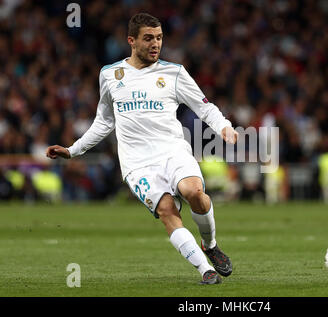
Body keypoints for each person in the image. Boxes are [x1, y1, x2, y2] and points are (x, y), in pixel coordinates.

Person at [46, 13, 238, 285]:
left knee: (194, 193)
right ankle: (204, 269)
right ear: (131, 41)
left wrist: (224, 127)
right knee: (167, 210)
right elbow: (104, 121)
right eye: (148, 38)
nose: (155, 44)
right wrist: (72, 150)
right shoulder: (110, 75)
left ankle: (210, 243)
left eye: (159, 38)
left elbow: (204, 106)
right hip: (137, 163)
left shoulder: (174, 73)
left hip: (173, 150)